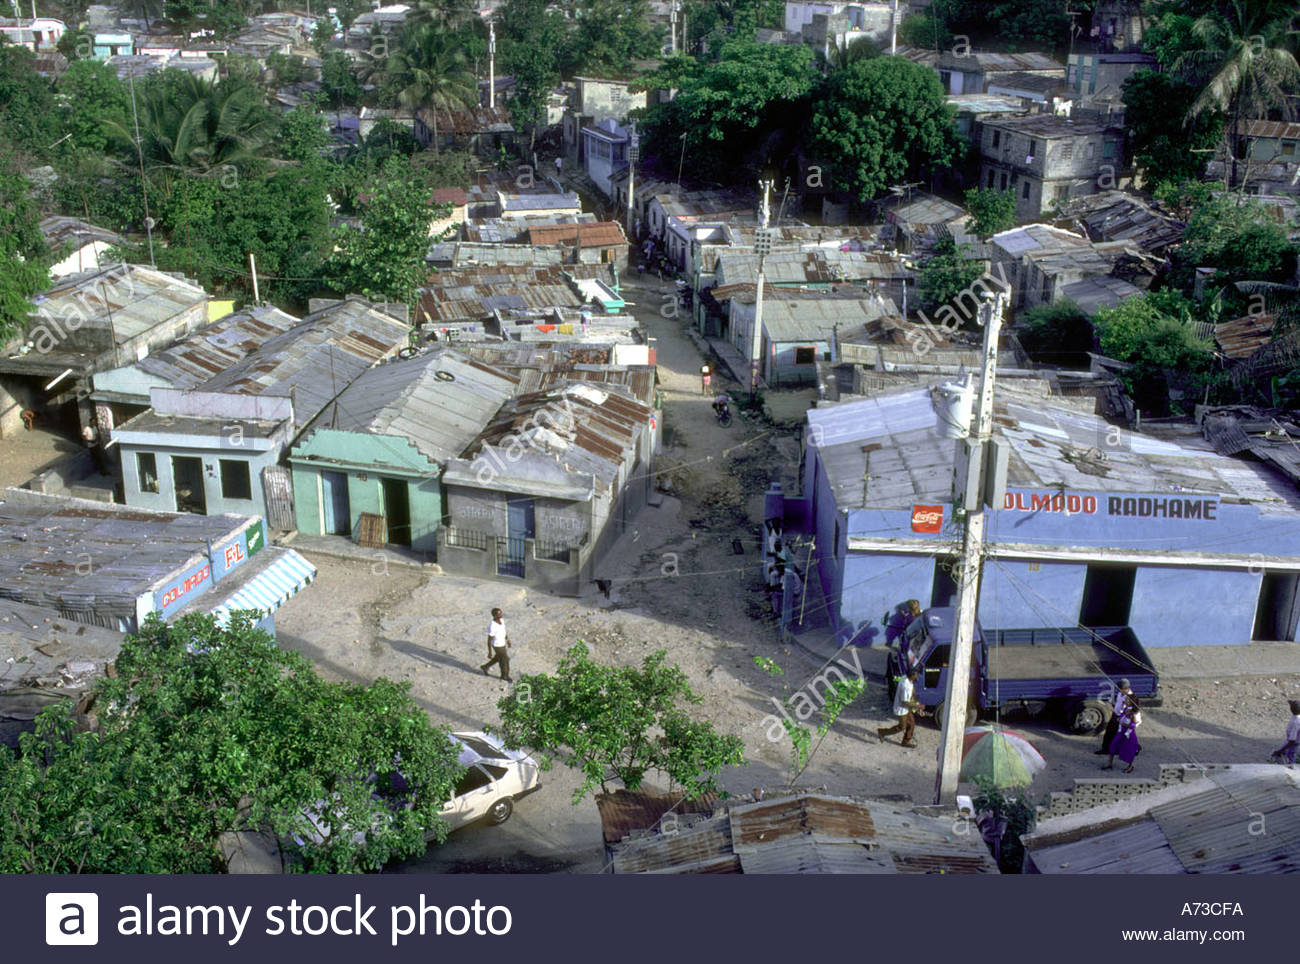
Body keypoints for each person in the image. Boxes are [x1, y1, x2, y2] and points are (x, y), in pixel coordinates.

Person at [878, 669, 920, 747]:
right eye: (916, 675)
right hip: (901, 709)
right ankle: (882, 732)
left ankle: (906, 741)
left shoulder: (906, 678)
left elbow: (911, 686)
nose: (917, 676)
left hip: (906, 708)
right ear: (912, 676)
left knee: (911, 723)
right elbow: (905, 702)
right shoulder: (905, 687)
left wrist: (913, 695)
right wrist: (918, 706)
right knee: (902, 727)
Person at [1101, 694, 1142, 773]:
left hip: (1128, 733)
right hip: (1121, 731)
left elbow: (1134, 725)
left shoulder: (1135, 713)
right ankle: (1109, 762)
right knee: (1113, 745)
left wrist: (1124, 724)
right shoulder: (1126, 708)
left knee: (1129, 749)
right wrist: (1120, 718)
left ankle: (1130, 766)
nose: (1125, 701)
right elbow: (1122, 716)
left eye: (1127, 700)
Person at [1094, 678, 1134, 755]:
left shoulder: (1129, 698)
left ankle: (1118, 750)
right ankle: (1105, 749)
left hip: (1121, 718)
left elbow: (1129, 710)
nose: (1119, 690)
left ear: (1125, 688)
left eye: (1120, 688)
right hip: (1115, 715)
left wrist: (1121, 718)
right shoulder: (1120, 693)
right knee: (1109, 732)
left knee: (1118, 735)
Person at [480, 607, 512, 681]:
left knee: (499, 657)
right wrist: (490, 652)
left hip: (502, 643)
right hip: (497, 645)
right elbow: (489, 640)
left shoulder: (501, 620)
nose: (501, 615)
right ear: (494, 615)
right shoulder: (492, 626)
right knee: (505, 660)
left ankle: (485, 667)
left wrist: (507, 640)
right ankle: (504, 676)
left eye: (501, 613)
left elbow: (503, 631)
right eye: (499, 614)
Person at [1269, 699, 1300, 765]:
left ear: (1291, 709)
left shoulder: (1296, 722)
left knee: (1290, 756)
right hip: (1292, 741)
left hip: (1293, 742)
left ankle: (1290, 766)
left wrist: (1281, 751)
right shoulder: (1297, 717)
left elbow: (1292, 740)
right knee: (1287, 753)